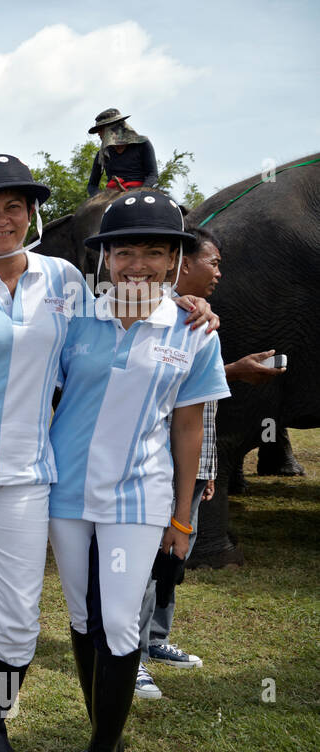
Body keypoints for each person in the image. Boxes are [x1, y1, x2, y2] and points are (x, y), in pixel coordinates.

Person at [0, 155, 218, 752]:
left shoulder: (66, 283)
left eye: (14, 207)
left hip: (30, 472)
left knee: (18, 617)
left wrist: (188, 302)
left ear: (32, 214)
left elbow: (131, 318)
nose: (1, 219)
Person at [48, 190, 230, 752]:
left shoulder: (193, 328)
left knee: (120, 623)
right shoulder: (75, 320)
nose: (140, 265)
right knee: (80, 617)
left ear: (178, 261)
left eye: (157, 252)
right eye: (127, 251)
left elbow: (188, 425)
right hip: (66, 489)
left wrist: (183, 516)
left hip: (138, 494)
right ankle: (107, 729)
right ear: (106, 258)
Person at [129, 226, 287, 700]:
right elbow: (167, 405)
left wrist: (207, 468)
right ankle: (130, 656)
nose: (219, 273)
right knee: (147, 557)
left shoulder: (200, 325)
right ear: (183, 261)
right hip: (158, 464)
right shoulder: (150, 315)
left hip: (194, 465)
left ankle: (155, 640)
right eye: (213, 262)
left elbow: (198, 403)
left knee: (173, 558)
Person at [86, 109, 159, 196]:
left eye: (101, 129)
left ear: (114, 128)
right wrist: (100, 197)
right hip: (111, 196)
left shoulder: (143, 144)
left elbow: (152, 174)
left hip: (140, 192)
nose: (98, 134)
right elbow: (92, 185)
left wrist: (141, 193)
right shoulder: (102, 154)